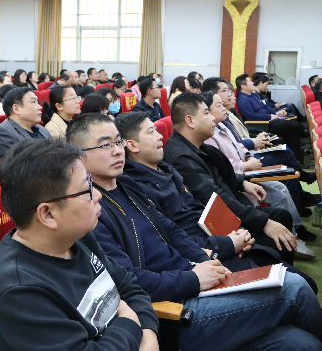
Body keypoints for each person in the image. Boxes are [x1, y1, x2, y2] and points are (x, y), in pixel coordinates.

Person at [66, 111, 322, 351]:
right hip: (173, 312)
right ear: (79, 156)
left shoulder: (126, 183)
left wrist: (205, 260)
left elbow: (170, 229)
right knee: (295, 289)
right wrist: (193, 279)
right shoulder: (89, 212)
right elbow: (127, 279)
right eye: (105, 145)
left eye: (118, 141)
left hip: (193, 279)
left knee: (300, 342)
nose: (117, 150)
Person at [0, 138, 158, 351]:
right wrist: (128, 319)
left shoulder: (76, 237)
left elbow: (130, 287)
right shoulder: (18, 293)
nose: (98, 195)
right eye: (87, 189)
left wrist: (149, 336)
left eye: (92, 182)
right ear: (48, 214)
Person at [163, 92, 298, 264]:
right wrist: (263, 223)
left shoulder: (197, 145)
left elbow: (220, 173)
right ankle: (281, 275)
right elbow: (214, 197)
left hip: (230, 205)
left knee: (283, 217)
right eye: (206, 113)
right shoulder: (180, 157)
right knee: (276, 242)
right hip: (217, 221)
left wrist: (242, 182)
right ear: (190, 121)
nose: (212, 118)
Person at [201, 91, 317, 253]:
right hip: (240, 176)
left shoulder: (222, 126)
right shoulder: (209, 135)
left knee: (282, 185)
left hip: (245, 166)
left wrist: (249, 157)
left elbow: (239, 147)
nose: (223, 108)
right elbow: (225, 168)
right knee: (281, 188)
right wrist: (246, 165)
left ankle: (295, 230)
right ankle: (291, 236)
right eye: (218, 105)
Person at [236, 73, 308, 163]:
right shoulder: (243, 99)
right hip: (263, 125)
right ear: (243, 86)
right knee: (291, 123)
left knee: (292, 132)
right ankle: (305, 132)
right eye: (250, 81)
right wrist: (269, 116)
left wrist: (276, 113)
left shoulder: (252, 95)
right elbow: (251, 116)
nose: (253, 83)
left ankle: (298, 161)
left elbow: (265, 106)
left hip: (270, 120)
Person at [0, 87, 52, 153]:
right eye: (34, 102)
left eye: (38, 102)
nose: (40, 107)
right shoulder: (4, 133)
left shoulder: (42, 129)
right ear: (16, 109)